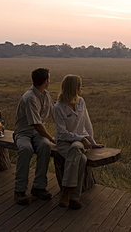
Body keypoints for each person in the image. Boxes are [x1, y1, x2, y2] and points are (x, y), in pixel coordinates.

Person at [53, 74, 103, 209]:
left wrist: (92, 141)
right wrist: (81, 138)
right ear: (73, 88)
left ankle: (66, 192)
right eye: (80, 86)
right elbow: (62, 133)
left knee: (76, 148)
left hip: (80, 142)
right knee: (81, 159)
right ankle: (73, 197)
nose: (82, 88)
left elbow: (87, 123)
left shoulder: (81, 101)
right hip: (64, 142)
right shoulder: (58, 107)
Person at [13, 68, 55, 205]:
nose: (49, 81)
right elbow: (36, 124)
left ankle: (39, 187)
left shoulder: (45, 94)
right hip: (23, 132)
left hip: (37, 134)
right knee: (26, 149)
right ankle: (19, 190)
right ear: (45, 81)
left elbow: (54, 112)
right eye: (48, 78)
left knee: (45, 146)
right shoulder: (30, 97)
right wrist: (52, 138)